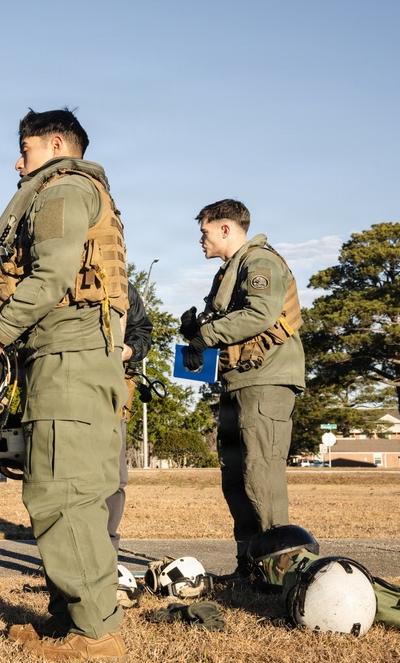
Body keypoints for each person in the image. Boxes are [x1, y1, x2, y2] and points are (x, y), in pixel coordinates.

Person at [0, 108, 129, 660]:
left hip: (70, 357)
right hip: (70, 356)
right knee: (73, 491)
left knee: (62, 492)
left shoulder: (62, 190)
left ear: (56, 144)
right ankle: (71, 619)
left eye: (26, 149)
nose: (19, 162)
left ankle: (97, 635)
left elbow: (52, 275)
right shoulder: (80, 192)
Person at [179, 198, 305, 579]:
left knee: (260, 472)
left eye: (204, 232)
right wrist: (196, 333)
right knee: (236, 476)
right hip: (238, 380)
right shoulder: (230, 271)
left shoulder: (259, 262)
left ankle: (282, 572)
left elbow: (260, 314)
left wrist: (208, 334)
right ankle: (251, 568)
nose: (200, 240)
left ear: (225, 229)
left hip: (265, 382)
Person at [109, 282, 153, 553]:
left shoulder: (124, 287)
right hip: (67, 390)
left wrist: (131, 349)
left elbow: (143, 330)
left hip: (114, 392)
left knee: (114, 479)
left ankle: (106, 553)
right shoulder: (59, 270)